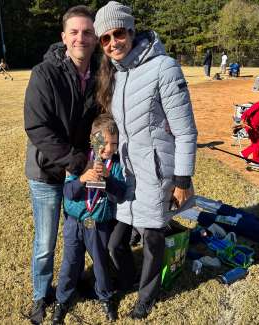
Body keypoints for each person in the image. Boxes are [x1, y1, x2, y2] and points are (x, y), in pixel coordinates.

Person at [94, 1, 197, 319]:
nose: (113, 42)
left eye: (119, 33)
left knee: (152, 240)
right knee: (115, 244)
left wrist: (181, 180)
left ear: (132, 31)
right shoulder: (118, 74)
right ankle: (129, 281)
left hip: (157, 174)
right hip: (129, 175)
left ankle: (146, 298)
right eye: (106, 38)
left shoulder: (164, 67)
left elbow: (186, 132)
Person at [24, 5, 98, 324]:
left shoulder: (100, 73)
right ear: (64, 37)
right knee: (45, 241)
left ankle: (73, 282)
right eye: (75, 31)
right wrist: (75, 162)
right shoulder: (45, 73)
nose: (81, 37)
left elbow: (102, 116)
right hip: (47, 173)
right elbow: (37, 126)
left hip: (81, 171)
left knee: (77, 233)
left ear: (95, 38)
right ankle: (41, 296)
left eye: (87, 32)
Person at [52, 114, 126, 324]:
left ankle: (105, 296)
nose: (108, 148)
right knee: (71, 262)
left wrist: (108, 180)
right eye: (103, 142)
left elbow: (118, 195)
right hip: (74, 222)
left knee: (101, 262)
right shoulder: (79, 160)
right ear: (93, 140)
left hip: (98, 224)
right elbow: (68, 192)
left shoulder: (116, 166)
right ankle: (62, 299)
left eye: (114, 143)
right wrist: (83, 178)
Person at [240, 91, 259, 167]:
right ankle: (256, 160)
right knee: (257, 143)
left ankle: (244, 153)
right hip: (250, 126)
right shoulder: (258, 105)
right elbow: (246, 113)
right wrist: (243, 121)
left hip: (257, 127)